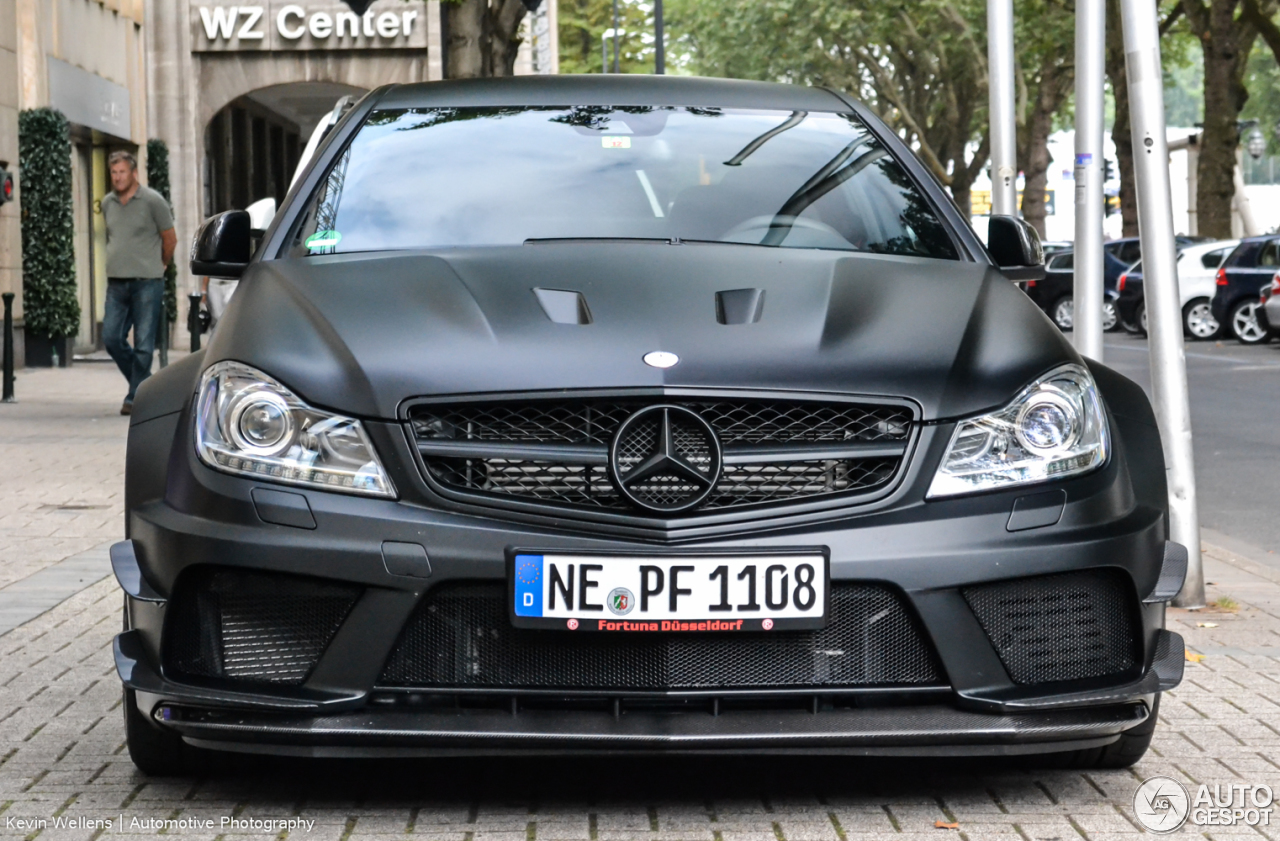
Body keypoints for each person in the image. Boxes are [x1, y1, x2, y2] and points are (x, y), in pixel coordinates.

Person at [101, 150, 177, 415]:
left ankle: (135, 397)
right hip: (116, 282)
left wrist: (161, 264)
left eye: (122, 172)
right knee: (111, 337)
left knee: (144, 343)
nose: (118, 177)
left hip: (147, 282)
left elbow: (170, 238)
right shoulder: (108, 203)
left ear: (134, 173)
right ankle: (147, 384)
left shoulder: (153, 201)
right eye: (113, 172)